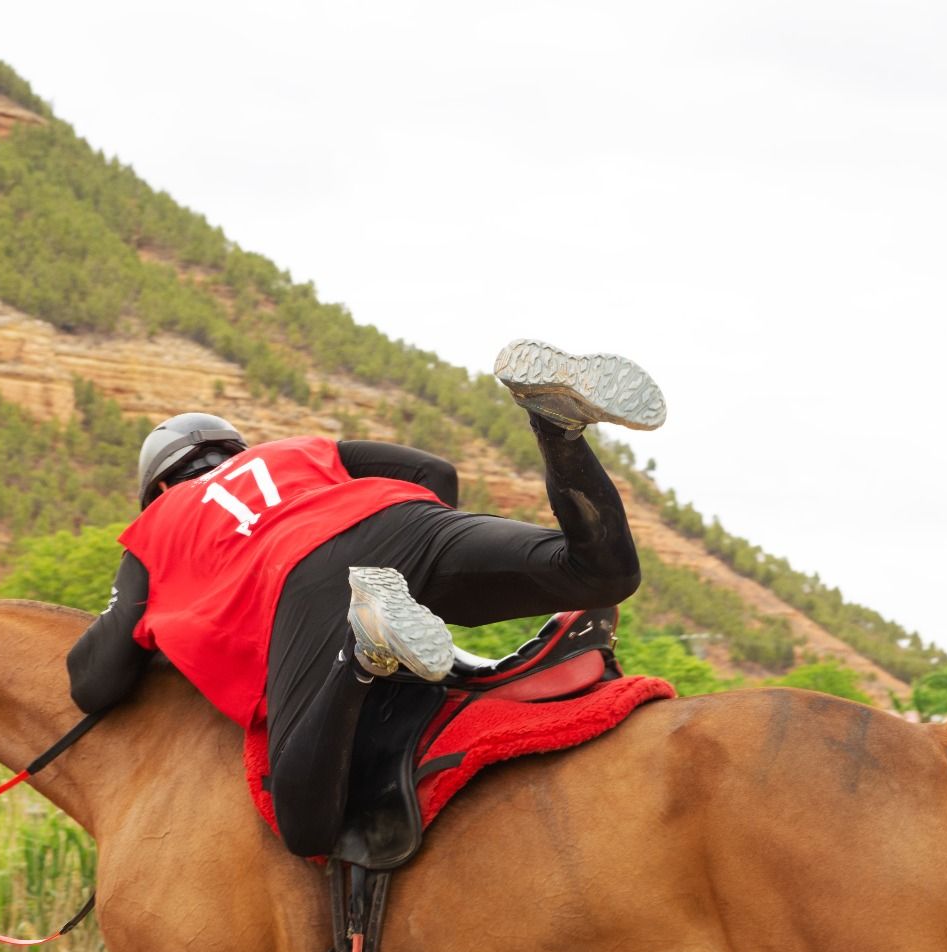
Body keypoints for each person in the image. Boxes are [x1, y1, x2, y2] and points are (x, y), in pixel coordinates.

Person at [67, 340, 664, 858]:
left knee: (305, 825)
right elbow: (433, 470)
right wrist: (433, 564)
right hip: (401, 518)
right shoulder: (295, 451)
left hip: (304, 578)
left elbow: (96, 679)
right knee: (598, 572)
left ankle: (363, 650)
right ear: (235, 449)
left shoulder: (161, 522)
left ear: (162, 486)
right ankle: (555, 428)